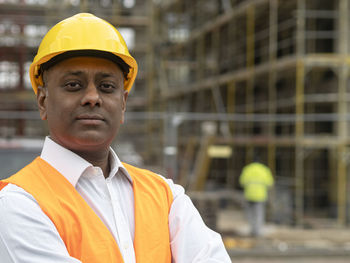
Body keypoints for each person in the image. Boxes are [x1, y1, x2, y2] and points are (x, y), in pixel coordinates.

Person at [0, 13, 231, 263]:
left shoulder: (165, 196)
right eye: (73, 85)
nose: (92, 97)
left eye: (107, 87)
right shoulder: (16, 205)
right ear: (43, 101)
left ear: (123, 103)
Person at [239, 160, 274, 237]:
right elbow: (270, 183)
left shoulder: (247, 169)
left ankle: (252, 230)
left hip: (249, 195)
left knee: (250, 213)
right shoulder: (264, 170)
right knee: (258, 214)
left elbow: (242, 182)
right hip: (260, 195)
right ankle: (257, 231)